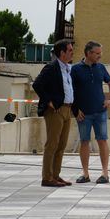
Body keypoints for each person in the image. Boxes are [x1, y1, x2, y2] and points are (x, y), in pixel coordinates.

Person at [70, 41, 110, 184]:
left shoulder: (101, 68)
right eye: (97, 53)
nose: (100, 56)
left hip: (100, 112)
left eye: (100, 53)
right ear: (88, 53)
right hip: (83, 114)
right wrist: (75, 110)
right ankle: (85, 174)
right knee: (84, 141)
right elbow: (70, 91)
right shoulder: (75, 69)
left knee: (102, 140)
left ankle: (105, 173)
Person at [32, 38, 75, 187]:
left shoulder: (67, 68)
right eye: (69, 50)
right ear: (62, 53)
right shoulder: (51, 67)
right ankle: (47, 177)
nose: (72, 53)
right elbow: (37, 84)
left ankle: (55, 175)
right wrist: (48, 101)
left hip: (67, 110)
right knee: (52, 144)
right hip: (55, 110)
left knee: (61, 145)